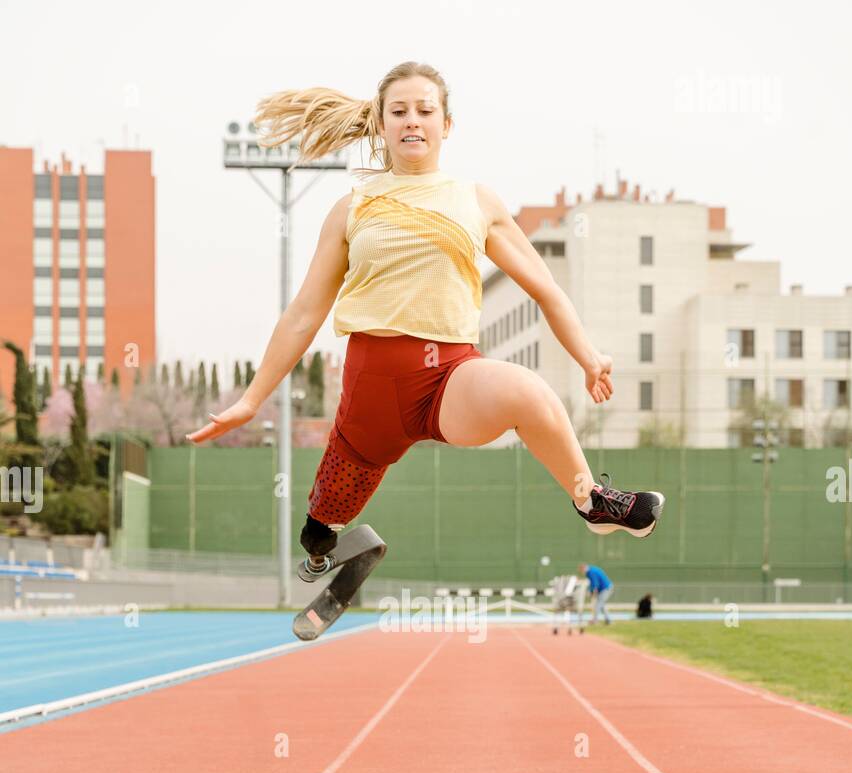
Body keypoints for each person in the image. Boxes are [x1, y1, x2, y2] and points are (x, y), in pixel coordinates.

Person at [186, 61, 666, 562]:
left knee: (529, 392)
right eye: (399, 111)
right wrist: (252, 400)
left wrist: (588, 356)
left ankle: (591, 502)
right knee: (321, 528)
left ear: (446, 124)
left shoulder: (477, 202)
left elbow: (546, 289)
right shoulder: (351, 209)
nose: (412, 120)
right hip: (372, 393)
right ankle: (320, 544)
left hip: (449, 380)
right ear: (382, 123)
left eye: (424, 110)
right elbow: (304, 313)